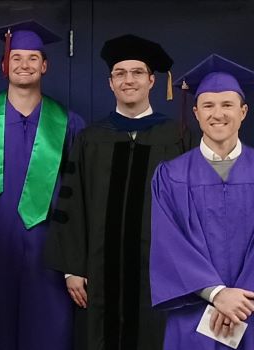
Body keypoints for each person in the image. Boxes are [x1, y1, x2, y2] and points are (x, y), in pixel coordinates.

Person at [43, 34, 186, 350]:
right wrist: (72, 269)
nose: (128, 80)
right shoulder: (90, 138)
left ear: (151, 80)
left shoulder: (177, 137)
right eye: (120, 73)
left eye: (137, 73)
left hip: (159, 273)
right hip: (99, 273)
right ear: (110, 83)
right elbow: (73, 203)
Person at [0, 20, 85, 350]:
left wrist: (74, 262)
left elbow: (79, 198)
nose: (24, 65)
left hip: (50, 253)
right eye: (16, 57)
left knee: (47, 334)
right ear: (5, 65)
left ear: (44, 65)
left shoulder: (69, 123)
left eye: (33, 58)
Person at [150, 54, 254, 350]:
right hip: (195, 312)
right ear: (196, 112)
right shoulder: (170, 176)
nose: (217, 113)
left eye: (227, 105)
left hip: (250, 308)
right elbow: (168, 244)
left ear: (243, 111)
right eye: (208, 105)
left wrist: (239, 298)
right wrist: (218, 294)